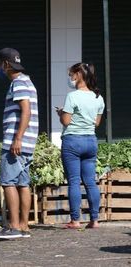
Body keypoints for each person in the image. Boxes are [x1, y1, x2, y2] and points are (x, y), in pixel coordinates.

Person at [0, 48, 39, 239]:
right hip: (28, 142)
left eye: (0, 64)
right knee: (23, 183)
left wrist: (17, 138)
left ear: (5, 64)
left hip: (17, 141)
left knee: (7, 182)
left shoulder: (18, 84)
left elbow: (25, 111)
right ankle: (24, 226)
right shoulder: (28, 81)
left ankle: (13, 226)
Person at [56, 63, 105, 229]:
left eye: (71, 74)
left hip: (72, 141)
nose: (70, 78)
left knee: (74, 182)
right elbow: (96, 123)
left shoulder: (72, 96)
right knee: (90, 182)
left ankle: (75, 220)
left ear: (78, 74)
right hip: (91, 140)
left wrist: (61, 113)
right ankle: (95, 220)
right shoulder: (98, 97)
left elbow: (66, 121)